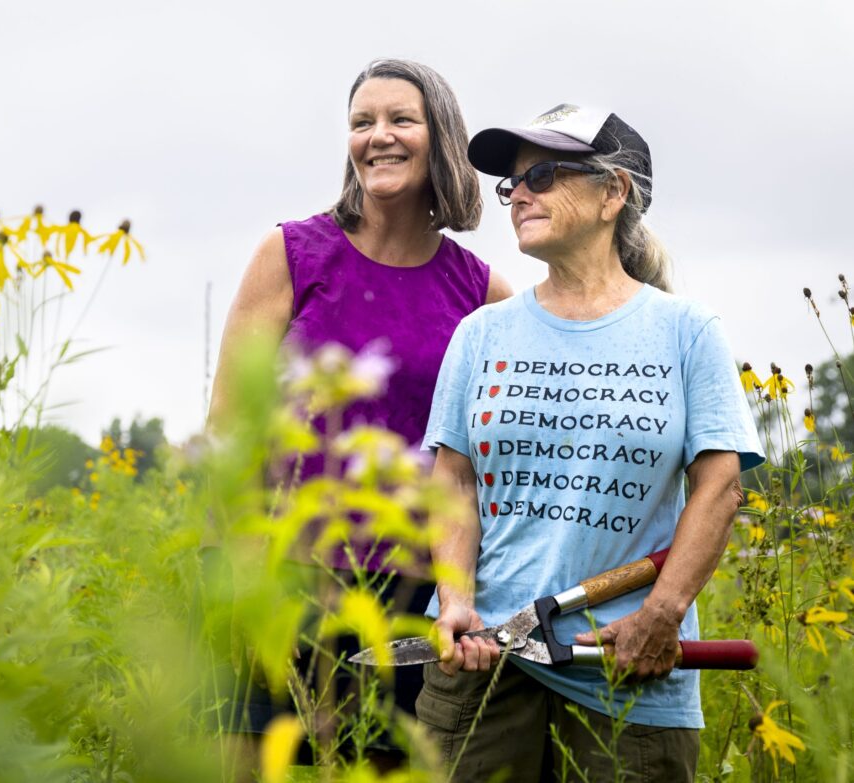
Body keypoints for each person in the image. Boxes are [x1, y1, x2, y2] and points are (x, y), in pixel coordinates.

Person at [416, 104, 764, 781]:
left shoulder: (686, 332)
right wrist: (455, 598)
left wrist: (662, 613)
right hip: (484, 661)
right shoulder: (480, 334)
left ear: (614, 192)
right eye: (511, 184)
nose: (519, 194)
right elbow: (453, 481)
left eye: (542, 174)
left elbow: (719, 486)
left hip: (625, 663)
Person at [207, 58, 512, 754]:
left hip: (410, 595)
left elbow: (496, 452)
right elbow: (229, 421)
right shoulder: (290, 254)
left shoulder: (483, 292)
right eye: (362, 122)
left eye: (400, 119)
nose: (379, 135)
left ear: (439, 136)